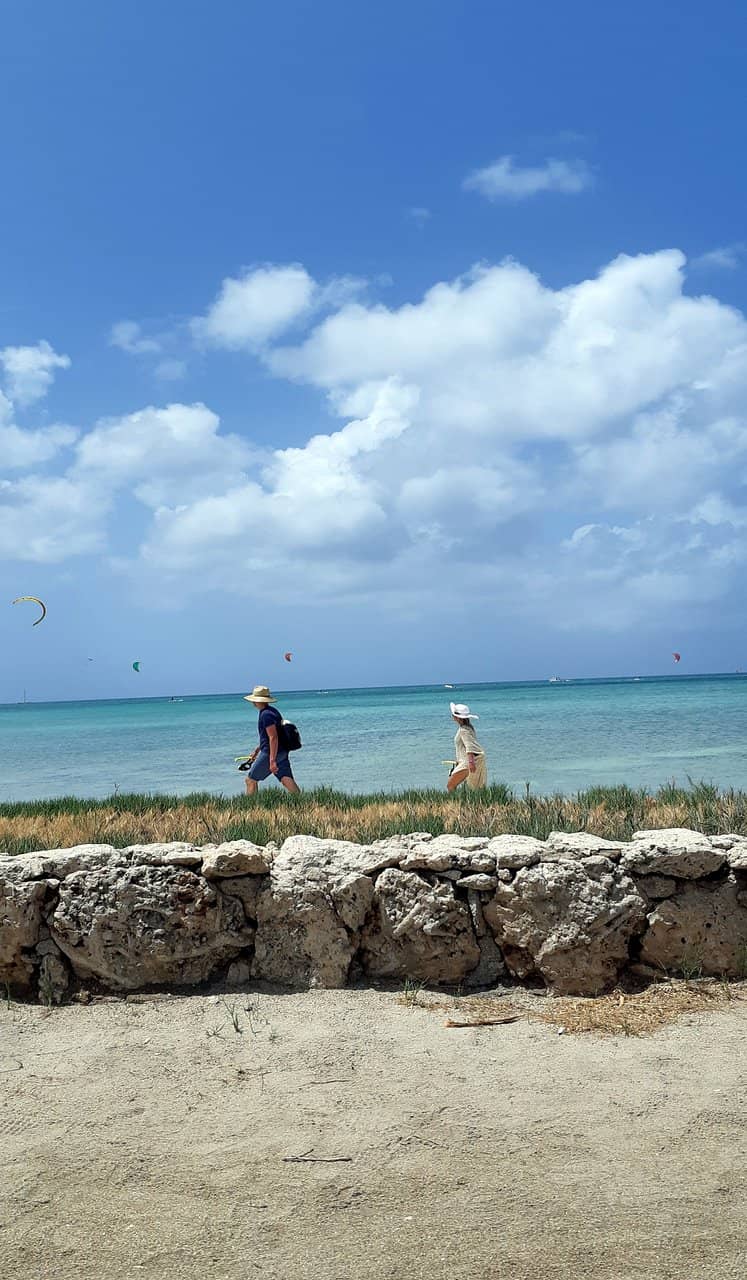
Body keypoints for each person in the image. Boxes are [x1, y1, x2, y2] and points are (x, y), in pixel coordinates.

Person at [242, 685, 300, 795]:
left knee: (251, 780)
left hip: (270, 753)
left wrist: (272, 761)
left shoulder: (266, 715)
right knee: (285, 778)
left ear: (260, 701)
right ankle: (301, 801)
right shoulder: (273, 711)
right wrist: (257, 750)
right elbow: (270, 736)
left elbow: (273, 737)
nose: (253, 702)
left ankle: (250, 805)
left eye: (255, 700)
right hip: (282, 751)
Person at [447, 701, 487, 792]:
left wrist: (471, 762)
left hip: (466, 763)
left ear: (457, 717)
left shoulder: (464, 730)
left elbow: (469, 746)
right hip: (466, 761)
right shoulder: (468, 727)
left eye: (453, 715)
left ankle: (455, 801)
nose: (452, 716)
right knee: (473, 788)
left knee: (451, 785)